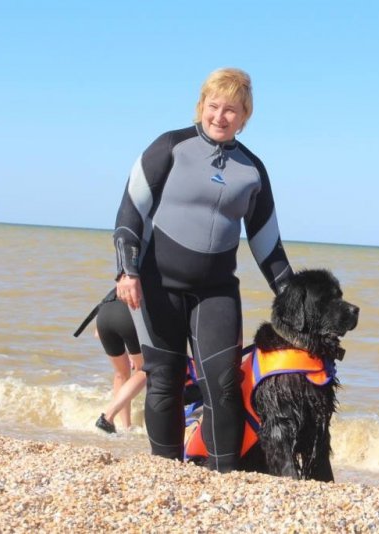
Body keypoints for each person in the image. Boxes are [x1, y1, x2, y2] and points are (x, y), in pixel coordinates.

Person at [113, 67, 293, 472]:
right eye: (213, 106)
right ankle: (166, 471)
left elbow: (269, 247)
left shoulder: (252, 170)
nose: (220, 116)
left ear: (245, 116)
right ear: (201, 106)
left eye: (231, 109)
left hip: (216, 292)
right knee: (165, 378)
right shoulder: (170, 147)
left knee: (224, 384)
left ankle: (223, 478)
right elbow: (130, 214)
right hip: (158, 285)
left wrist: (297, 303)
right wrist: (127, 271)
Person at [93, 299, 145, 433]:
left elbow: (97, 334)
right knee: (146, 370)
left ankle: (125, 427)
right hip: (129, 315)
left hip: (104, 317)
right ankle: (108, 417)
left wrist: (128, 355)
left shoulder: (123, 283)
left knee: (121, 373)